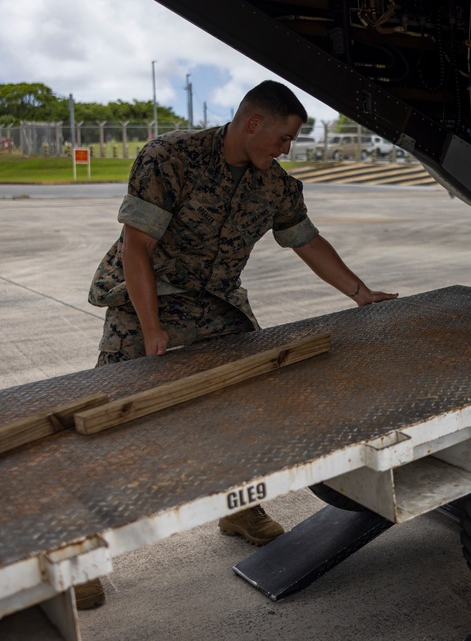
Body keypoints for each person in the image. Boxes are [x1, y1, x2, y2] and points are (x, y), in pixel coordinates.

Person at [78, 80, 397, 609]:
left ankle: (241, 508)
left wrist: (361, 294)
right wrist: (151, 327)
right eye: (285, 137)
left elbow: (307, 240)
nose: (287, 149)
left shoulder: (273, 184)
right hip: (145, 294)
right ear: (254, 123)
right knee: (112, 416)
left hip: (216, 300)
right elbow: (137, 247)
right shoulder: (170, 158)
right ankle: (81, 552)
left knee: (251, 403)